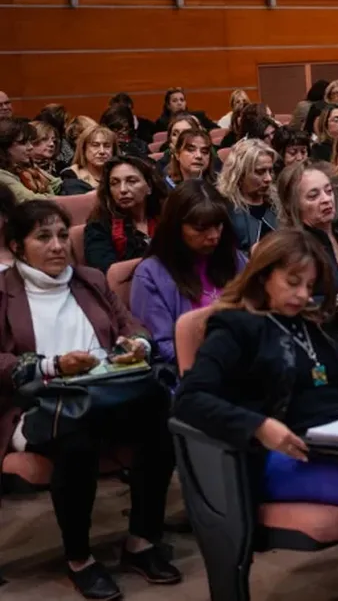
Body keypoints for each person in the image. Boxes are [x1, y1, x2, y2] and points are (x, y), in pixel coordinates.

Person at [173, 229, 338, 601]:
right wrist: (259, 426)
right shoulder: (236, 327)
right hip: (284, 453)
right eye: (292, 283)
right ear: (264, 274)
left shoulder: (306, 324)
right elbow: (190, 398)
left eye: (309, 285)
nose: (303, 295)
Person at [0, 200, 179, 600]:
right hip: (40, 405)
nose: (58, 245)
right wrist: (52, 365)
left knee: (162, 419)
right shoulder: (3, 291)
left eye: (63, 235)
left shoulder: (90, 280)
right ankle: (79, 558)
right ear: (16, 245)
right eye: (43, 237)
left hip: (103, 394)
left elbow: (129, 323)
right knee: (76, 440)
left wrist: (136, 343)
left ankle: (141, 541)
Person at [131, 180, 246, 365]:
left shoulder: (234, 259)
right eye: (201, 228)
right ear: (176, 227)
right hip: (195, 372)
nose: (214, 236)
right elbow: (164, 347)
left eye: (218, 225)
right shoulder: (150, 275)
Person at [276, 161, 338, 297]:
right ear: (292, 204)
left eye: (329, 191)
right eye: (313, 196)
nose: (326, 199)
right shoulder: (293, 248)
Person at [84, 156, 169, 274]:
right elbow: (109, 272)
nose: (122, 189)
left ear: (149, 186)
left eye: (131, 181)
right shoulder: (99, 225)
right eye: (115, 183)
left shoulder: (166, 216)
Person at [215, 138, 278, 254]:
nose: (268, 178)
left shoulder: (277, 204)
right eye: (260, 172)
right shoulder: (223, 209)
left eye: (270, 171)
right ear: (240, 173)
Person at [0, 118, 61, 202]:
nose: (30, 147)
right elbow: (29, 200)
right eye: (23, 143)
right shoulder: (2, 175)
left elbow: (57, 185)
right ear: (5, 146)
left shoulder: (24, 167)